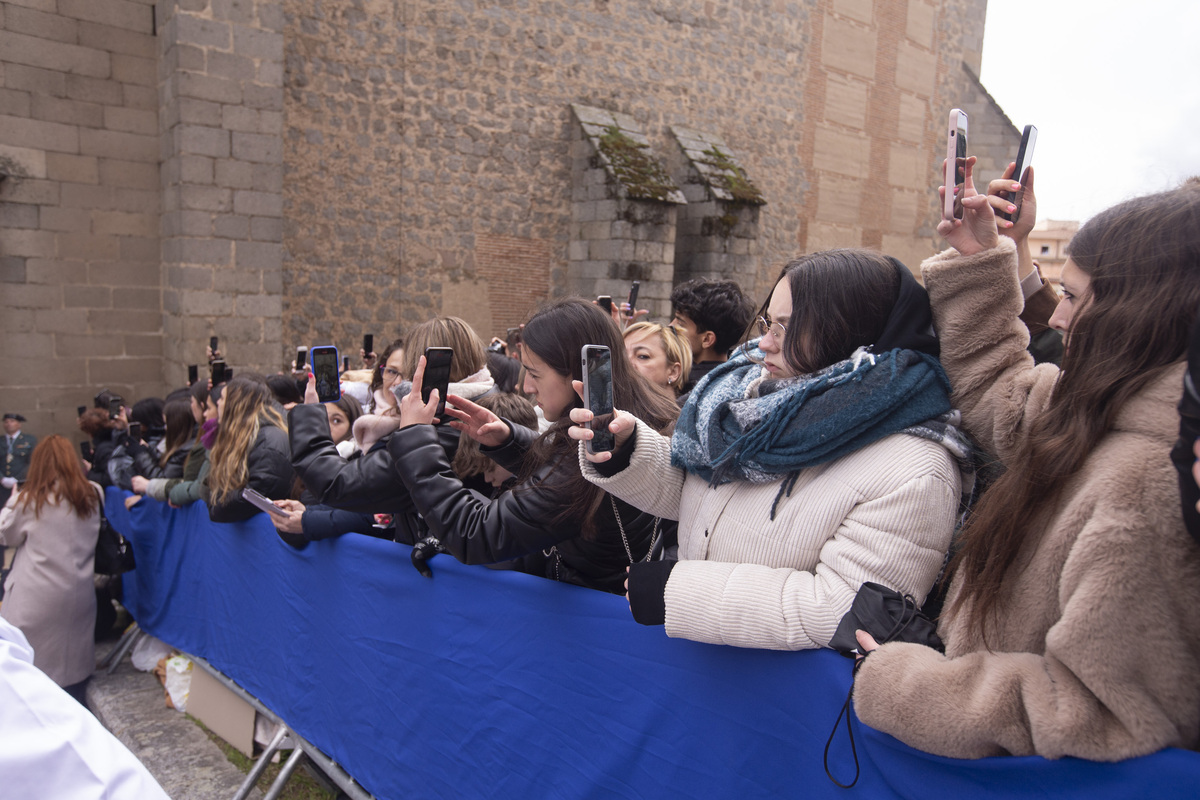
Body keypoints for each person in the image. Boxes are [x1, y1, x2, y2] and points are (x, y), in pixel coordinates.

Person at [851, 171, 1200, 761]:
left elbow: (1097, 711)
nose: (1057, 321)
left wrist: (904, 680)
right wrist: (981, 259)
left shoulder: (1145, 486)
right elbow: (999, 387)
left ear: (1142, 313)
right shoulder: (1098, 409)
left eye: (1074, 297)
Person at [572, 250, 969, 648]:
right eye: (768, 323)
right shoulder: (751, 403)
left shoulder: (916, 469)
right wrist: (628, 449)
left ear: (850, 331)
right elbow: (701, 495)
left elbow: (848, 610)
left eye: (787, 328)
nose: (764, 343)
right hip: (711, 666)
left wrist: (678, 591)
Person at [390, 299, 681, 593]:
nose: (527, 386)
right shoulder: (633, 414)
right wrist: (508, 439)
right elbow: (561, 471)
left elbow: (474, 535)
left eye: (535, 373)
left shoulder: (597, 445)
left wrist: (415, 435)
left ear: (576, 375)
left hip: (593, 618)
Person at [0, 436, 102, 705]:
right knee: (71, 671)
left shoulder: (30, 500)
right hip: (78, 594)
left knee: (32, 677)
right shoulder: (93, 493)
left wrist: (10, 503)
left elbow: (5, 535)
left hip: (34, 597)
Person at [205, 376, 293, 523]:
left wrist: (217, 505)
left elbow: (259, 490)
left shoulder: (269, 441)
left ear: (236, 404)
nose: (218, 403)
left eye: (221, 398)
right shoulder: (249, 435)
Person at [669, 278, 755, 390]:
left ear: (707, 340)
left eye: (680, 323)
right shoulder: (735, 378)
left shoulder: (686, 387)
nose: (670, 326)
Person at [623, 321, 692, 400]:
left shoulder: (692, 410)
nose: (626, 363)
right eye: (622, 356)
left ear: (673, 372)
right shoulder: (613, 408)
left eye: (643, 356)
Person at [1, 413, 36, 510]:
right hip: (2, 486)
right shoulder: (1, 441)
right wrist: (2, 479)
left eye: (12, 421)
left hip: (21, 483)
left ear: (19, 424)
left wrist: (17, 478)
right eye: (6, 422)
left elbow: (32, 462)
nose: (9, 424)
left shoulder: (29, 440)